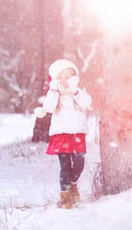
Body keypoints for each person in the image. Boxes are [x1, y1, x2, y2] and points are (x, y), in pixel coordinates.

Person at [34, 59, 92, 209]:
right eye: (60, 77)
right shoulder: (54, 93)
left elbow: (86, 103)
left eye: (67, 77)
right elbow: (48, 107)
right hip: (61, 134)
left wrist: (74, 90)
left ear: (74, 77)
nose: (64, 80)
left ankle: (73, 184)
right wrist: (53, 91)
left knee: (79, 164)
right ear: (54, 79)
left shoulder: (78, 91)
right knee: (65, 166)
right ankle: (65, 196)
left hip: (77, 132)